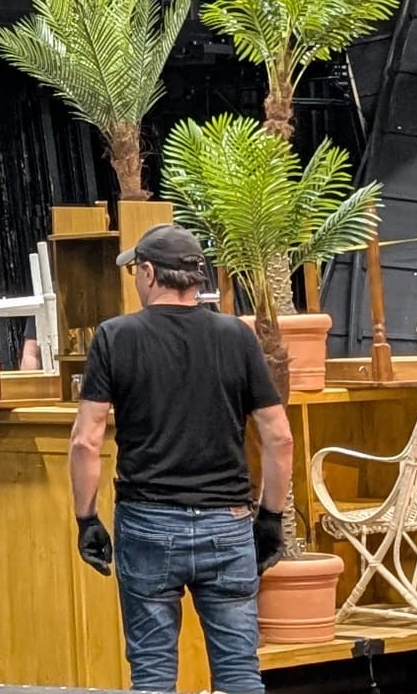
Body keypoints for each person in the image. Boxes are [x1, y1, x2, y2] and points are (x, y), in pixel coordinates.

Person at [68, 224, 294, 694]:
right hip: (228, 524)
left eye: (135, 270)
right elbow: (279, 437)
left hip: (148, 524)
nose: (136, 278)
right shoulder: (237, 337)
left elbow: (86, 441)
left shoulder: (116, 336)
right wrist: (271, 517)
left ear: (150, 273)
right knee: (239, 673)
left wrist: (86, 519)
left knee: (153, 675)